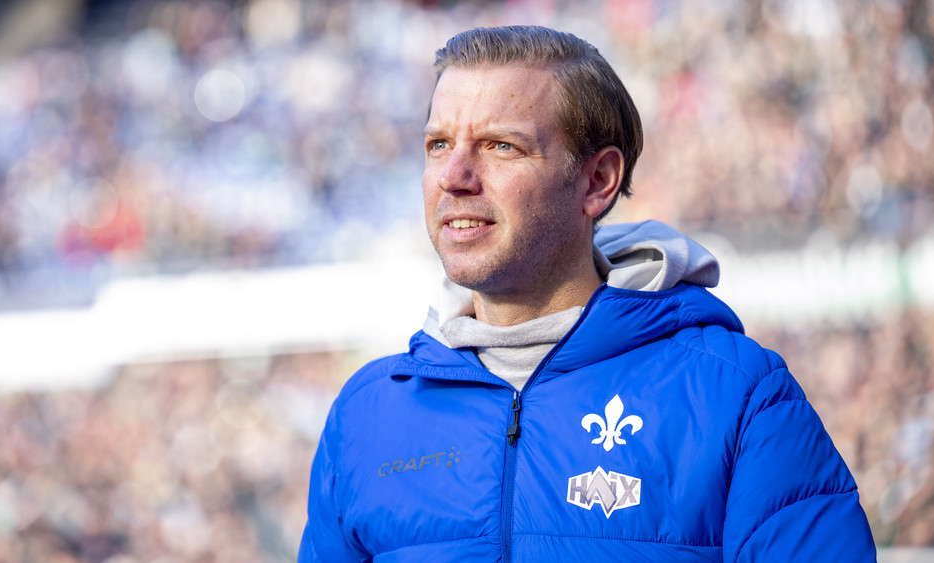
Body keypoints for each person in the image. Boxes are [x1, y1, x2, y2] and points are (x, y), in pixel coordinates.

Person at [299, 25, 877, 562]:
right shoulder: (366, 413)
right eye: (438, 144)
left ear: (597, 181)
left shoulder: (738, 396)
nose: (454, 175)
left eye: (501, 146)